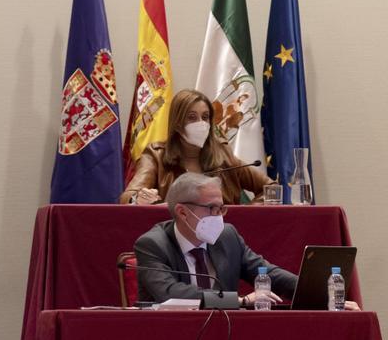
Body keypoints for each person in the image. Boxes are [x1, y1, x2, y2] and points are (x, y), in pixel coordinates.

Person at [134, 172, 359, 309]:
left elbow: (268, 273)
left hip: (225, 337)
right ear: (182, 212)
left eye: (221, 208)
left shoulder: (227, 236)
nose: (218, 217)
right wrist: (240, 301)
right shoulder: (152, 245)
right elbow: (171, 293)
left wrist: (321, 296)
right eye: (212, 208)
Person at [121, 88, 272, 205]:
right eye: (192, 117)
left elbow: (271, 189)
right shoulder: (156, 155)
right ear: (178, 123)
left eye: (205, 117)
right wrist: (137, 198)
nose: (201, 123)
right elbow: (127, 197)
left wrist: (244, 215)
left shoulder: (223, 153)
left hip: (220, 236)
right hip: (172, 237)